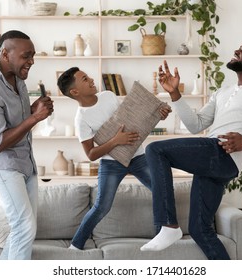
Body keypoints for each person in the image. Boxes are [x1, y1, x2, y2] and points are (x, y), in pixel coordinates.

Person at [140, 39, 242, 259]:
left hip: (220, 154)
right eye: (238, 47)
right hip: (213, 161)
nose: (237, 50)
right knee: (201, 230)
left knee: (155, 150)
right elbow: (196, 125)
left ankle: (168, 224)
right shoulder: (223, 91)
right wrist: (175, 95)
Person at [57, 67, 171, 250]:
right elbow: (91, 154)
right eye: (85, 79)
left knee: (162, 191)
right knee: (102, 206)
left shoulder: (108, 96)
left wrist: (159, 115)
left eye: (88, 76)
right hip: (111, 164)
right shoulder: (81, 119)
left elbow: (133, 120)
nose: (92, 80)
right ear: (75, 91)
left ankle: (162, 237)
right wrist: (115, 141)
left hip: (138, 156)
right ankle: (76, 247)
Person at [0, 30, 54, 260]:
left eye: (33, 55)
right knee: (24, 227)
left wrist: (33, 110)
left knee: (25, 229)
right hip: (2, 163)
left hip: (26, 161)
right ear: (5, 54)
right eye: (27, 56)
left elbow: (18, 123)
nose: (32, 62)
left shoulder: (17, 77)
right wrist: (34, 118)